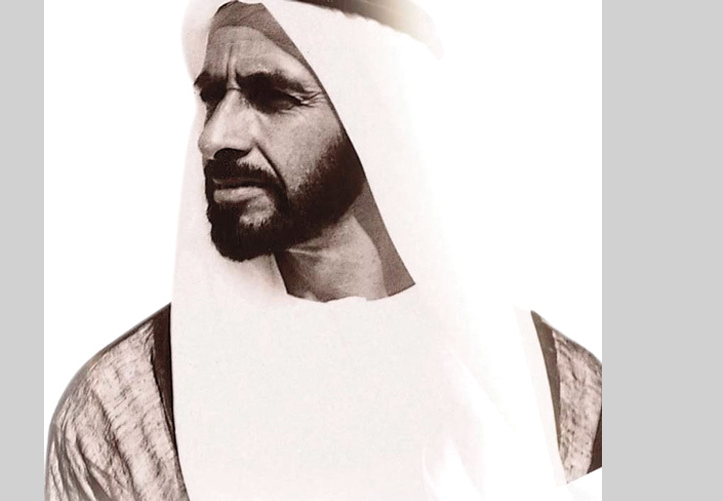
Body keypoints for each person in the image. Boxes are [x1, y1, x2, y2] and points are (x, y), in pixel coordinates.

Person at [46, 1, 601, 500]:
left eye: (272, 96)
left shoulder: (567, 401)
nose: (214, 137)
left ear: (377, 111)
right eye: (213, 96)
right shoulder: (124, 413)